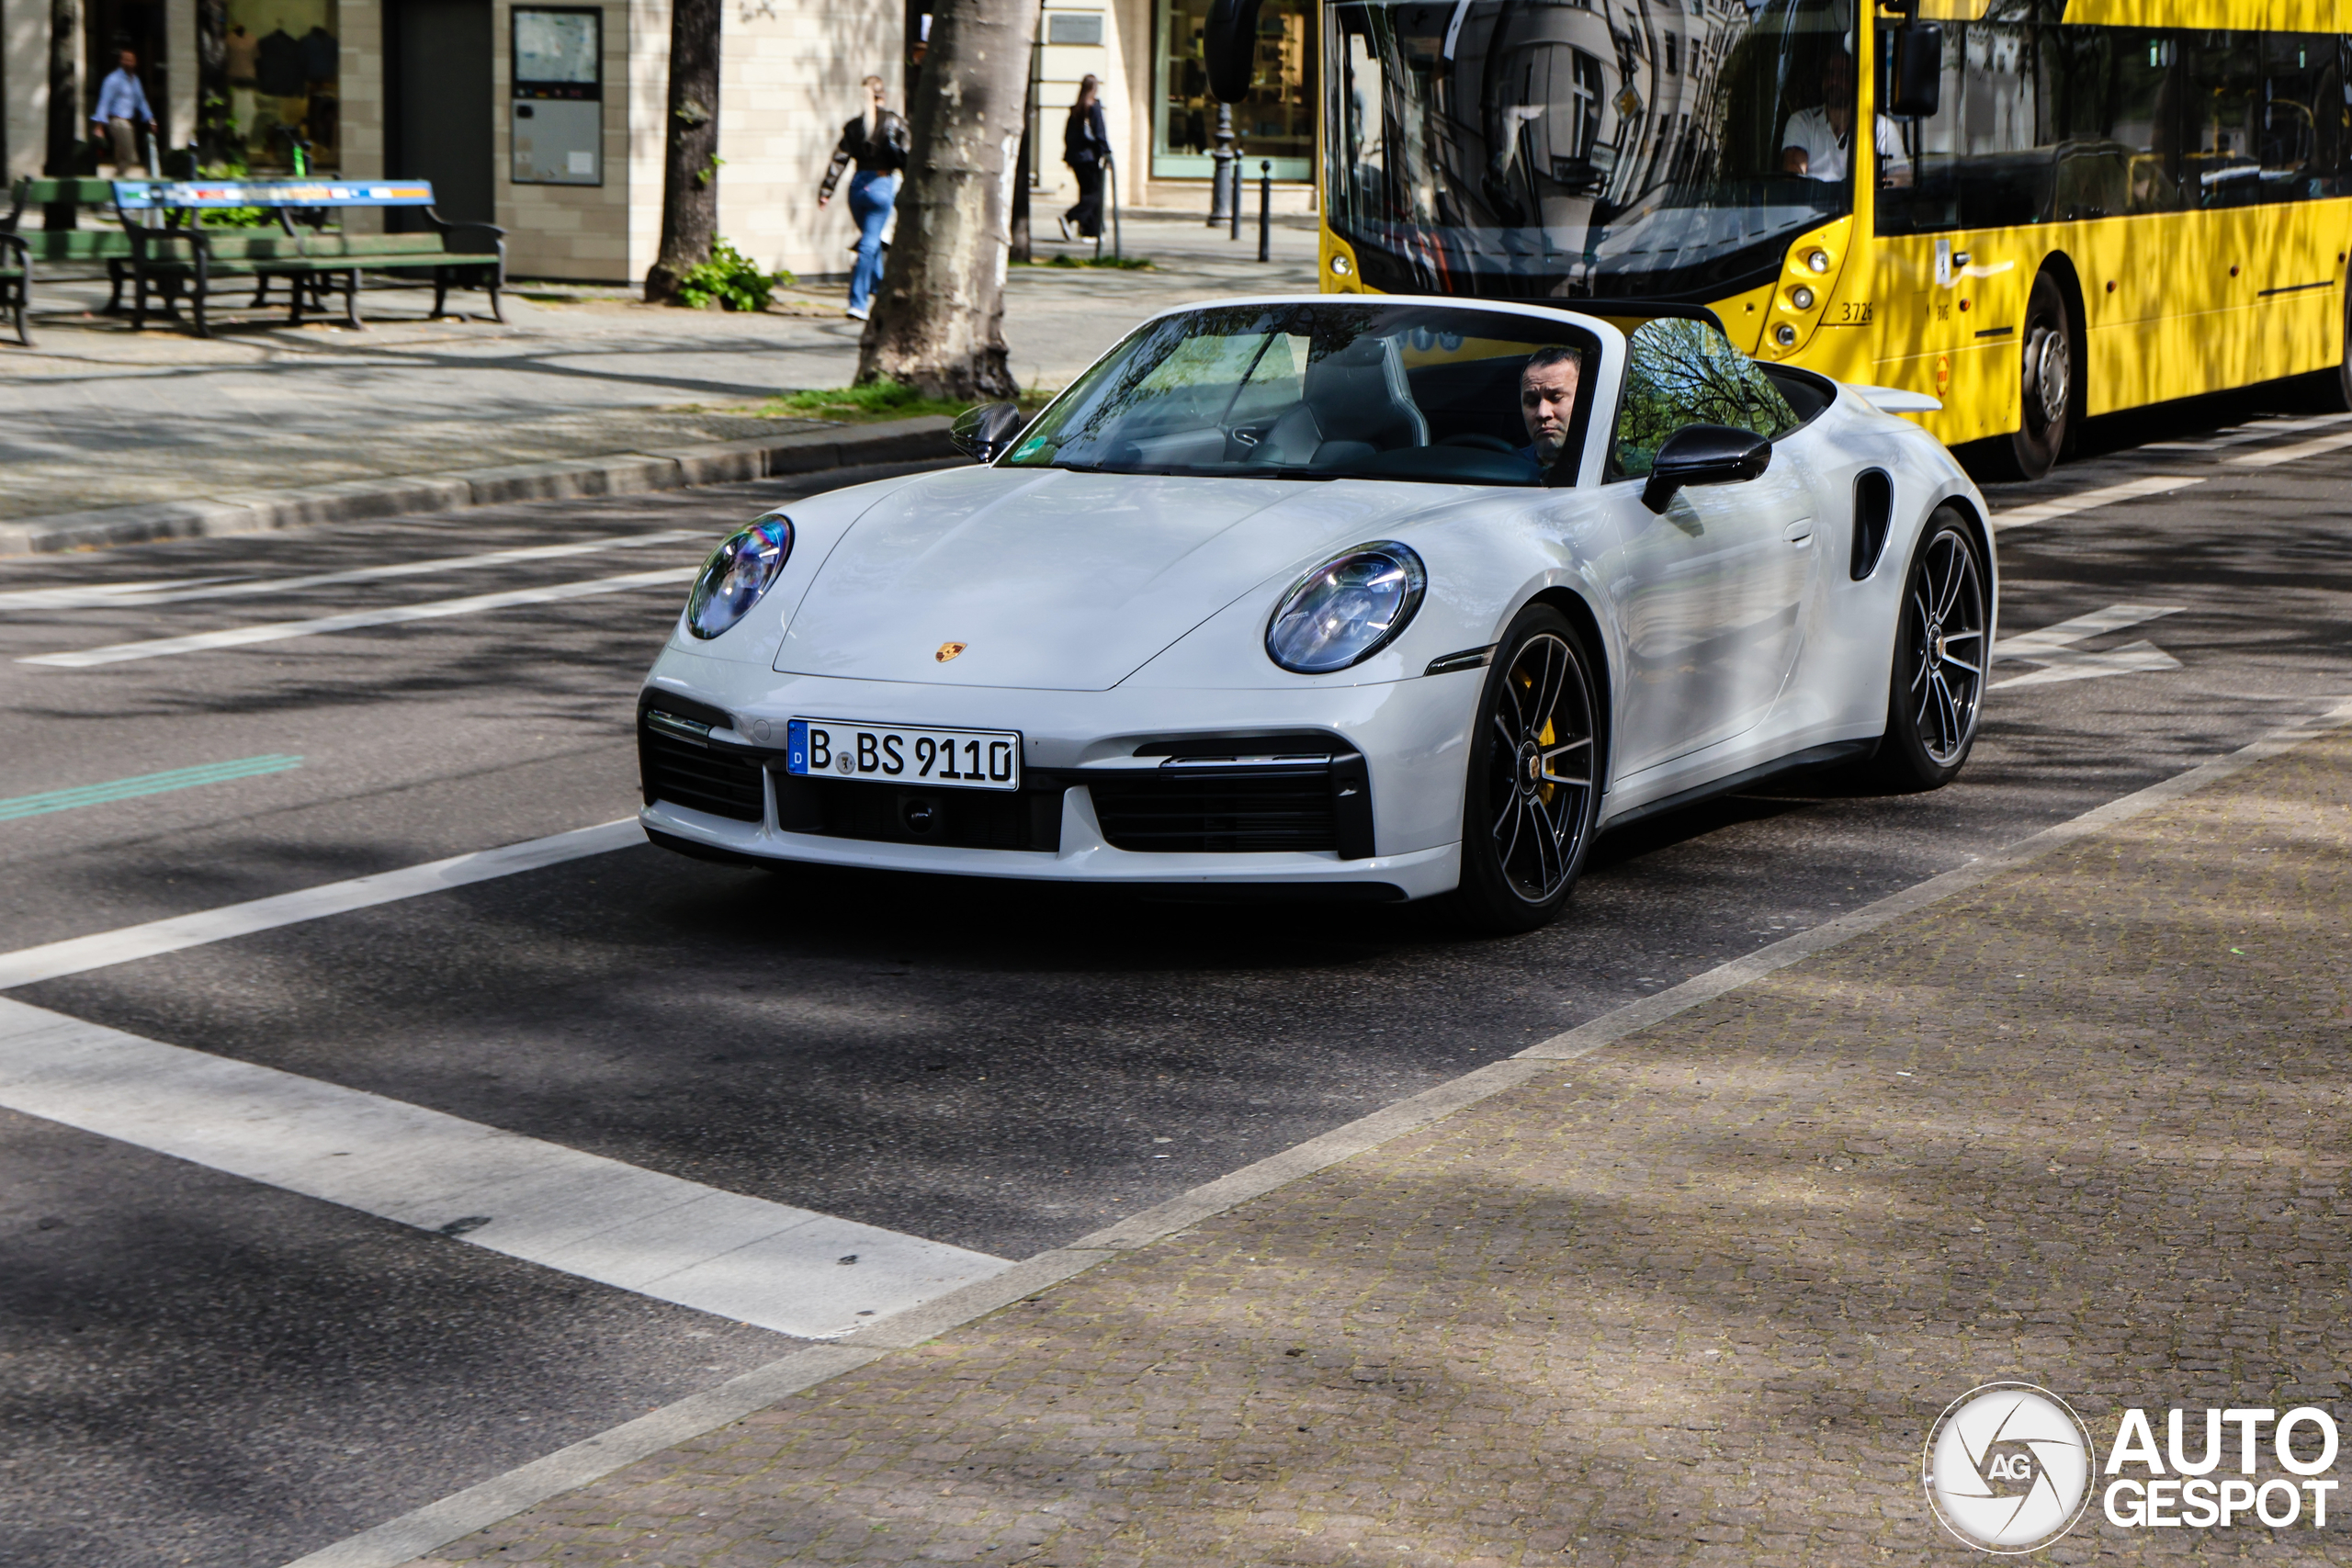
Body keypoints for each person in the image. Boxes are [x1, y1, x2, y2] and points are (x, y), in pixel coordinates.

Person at [818, 73, 911, 321]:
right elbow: (907, 154)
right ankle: (858, 303)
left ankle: (879, 290)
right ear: (884, 95)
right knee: (870, 244)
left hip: (857, 187)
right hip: (881, 185)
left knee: (872, 241)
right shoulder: (895, 122)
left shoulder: (854, 126)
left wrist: (826, 191)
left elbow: (840, 159)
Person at [1780, 54, 1910, 187]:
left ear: (1856, 81)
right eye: (1830, 73)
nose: (1834, 81)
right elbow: (1793, 174)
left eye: (1843, 74)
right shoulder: (1803, 121)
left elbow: (1901, 178)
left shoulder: (1880, 127)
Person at [90, 48, 158, 176]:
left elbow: (141, 101)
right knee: (130, 158)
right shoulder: (113, 79)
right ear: (121, 61)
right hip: (117, 122)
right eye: (126, 59)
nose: (129, 62)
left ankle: (116, 181)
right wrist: (99, 125)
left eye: (131, 60)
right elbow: (104, 102)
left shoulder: (135, 80)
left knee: (121, 159)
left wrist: (150, 119)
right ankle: (114, 180)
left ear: (135, 62)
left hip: (128, 123)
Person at [1062, 74, 1111, 241]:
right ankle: (1071, 216)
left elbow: (1068, 135)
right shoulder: (1094, 107)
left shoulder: (1076, 108)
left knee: (1087, 193)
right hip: (1089, 157)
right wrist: (1106, 152)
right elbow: (1099, 132)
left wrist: (1068, 155)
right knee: (1096, 193)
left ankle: (1090, 231)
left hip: (1076, 158)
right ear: (1094, 88)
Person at [1518, 346, 1581, 468]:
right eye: (1532, 401)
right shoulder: (1505, 470)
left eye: (1556, 398)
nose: (1542, 413)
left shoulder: (1612, 469)